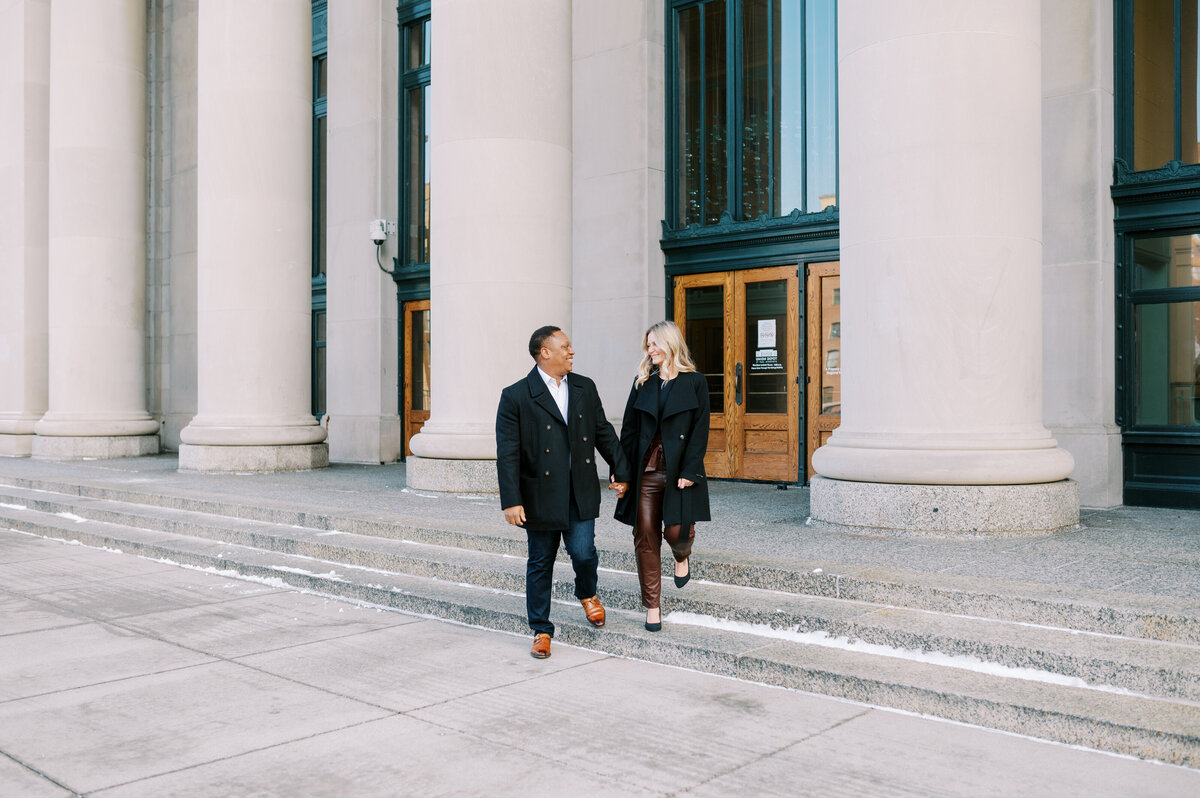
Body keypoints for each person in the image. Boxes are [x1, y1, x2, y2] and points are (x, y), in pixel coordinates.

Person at [496, 326, 630, 659]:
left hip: (579, 489)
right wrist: (511, 500)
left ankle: (587, 593)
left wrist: (620, 468)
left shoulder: (585, 387)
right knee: (540, 562)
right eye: (565, 347)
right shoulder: (516, 395)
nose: (571, 352)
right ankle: (541, 629)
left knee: (584, 553)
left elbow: (603, 432)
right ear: (545, 353)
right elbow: (508, 452)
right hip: (539, 495)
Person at [614, 320, 710, 631]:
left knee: (676, 533)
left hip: (679, 470)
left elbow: (700, 430)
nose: (649, 350)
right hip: (646, 471)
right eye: (648, 345)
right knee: (645, 535)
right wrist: (622, 473)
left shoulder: (695, 382)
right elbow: (628, 432)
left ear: (670, 344)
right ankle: (652, 606)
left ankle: (681, 557)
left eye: (655, 344)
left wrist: (690, 470)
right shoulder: (642, 382)